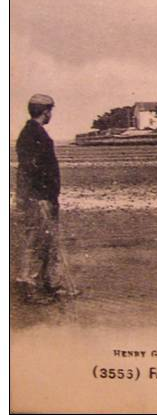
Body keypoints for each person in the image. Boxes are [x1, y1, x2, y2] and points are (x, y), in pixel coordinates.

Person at [14, 93, 68, 304]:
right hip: (38, 199)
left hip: (41, 197)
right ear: (46, 112)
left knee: (47, 242)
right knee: (37, 242)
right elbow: (32, 170)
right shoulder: (32, 134)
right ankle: (30, 289)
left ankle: (49, 284)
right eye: (50, 111)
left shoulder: (32, 132)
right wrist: (42, 197)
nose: (51, 114)